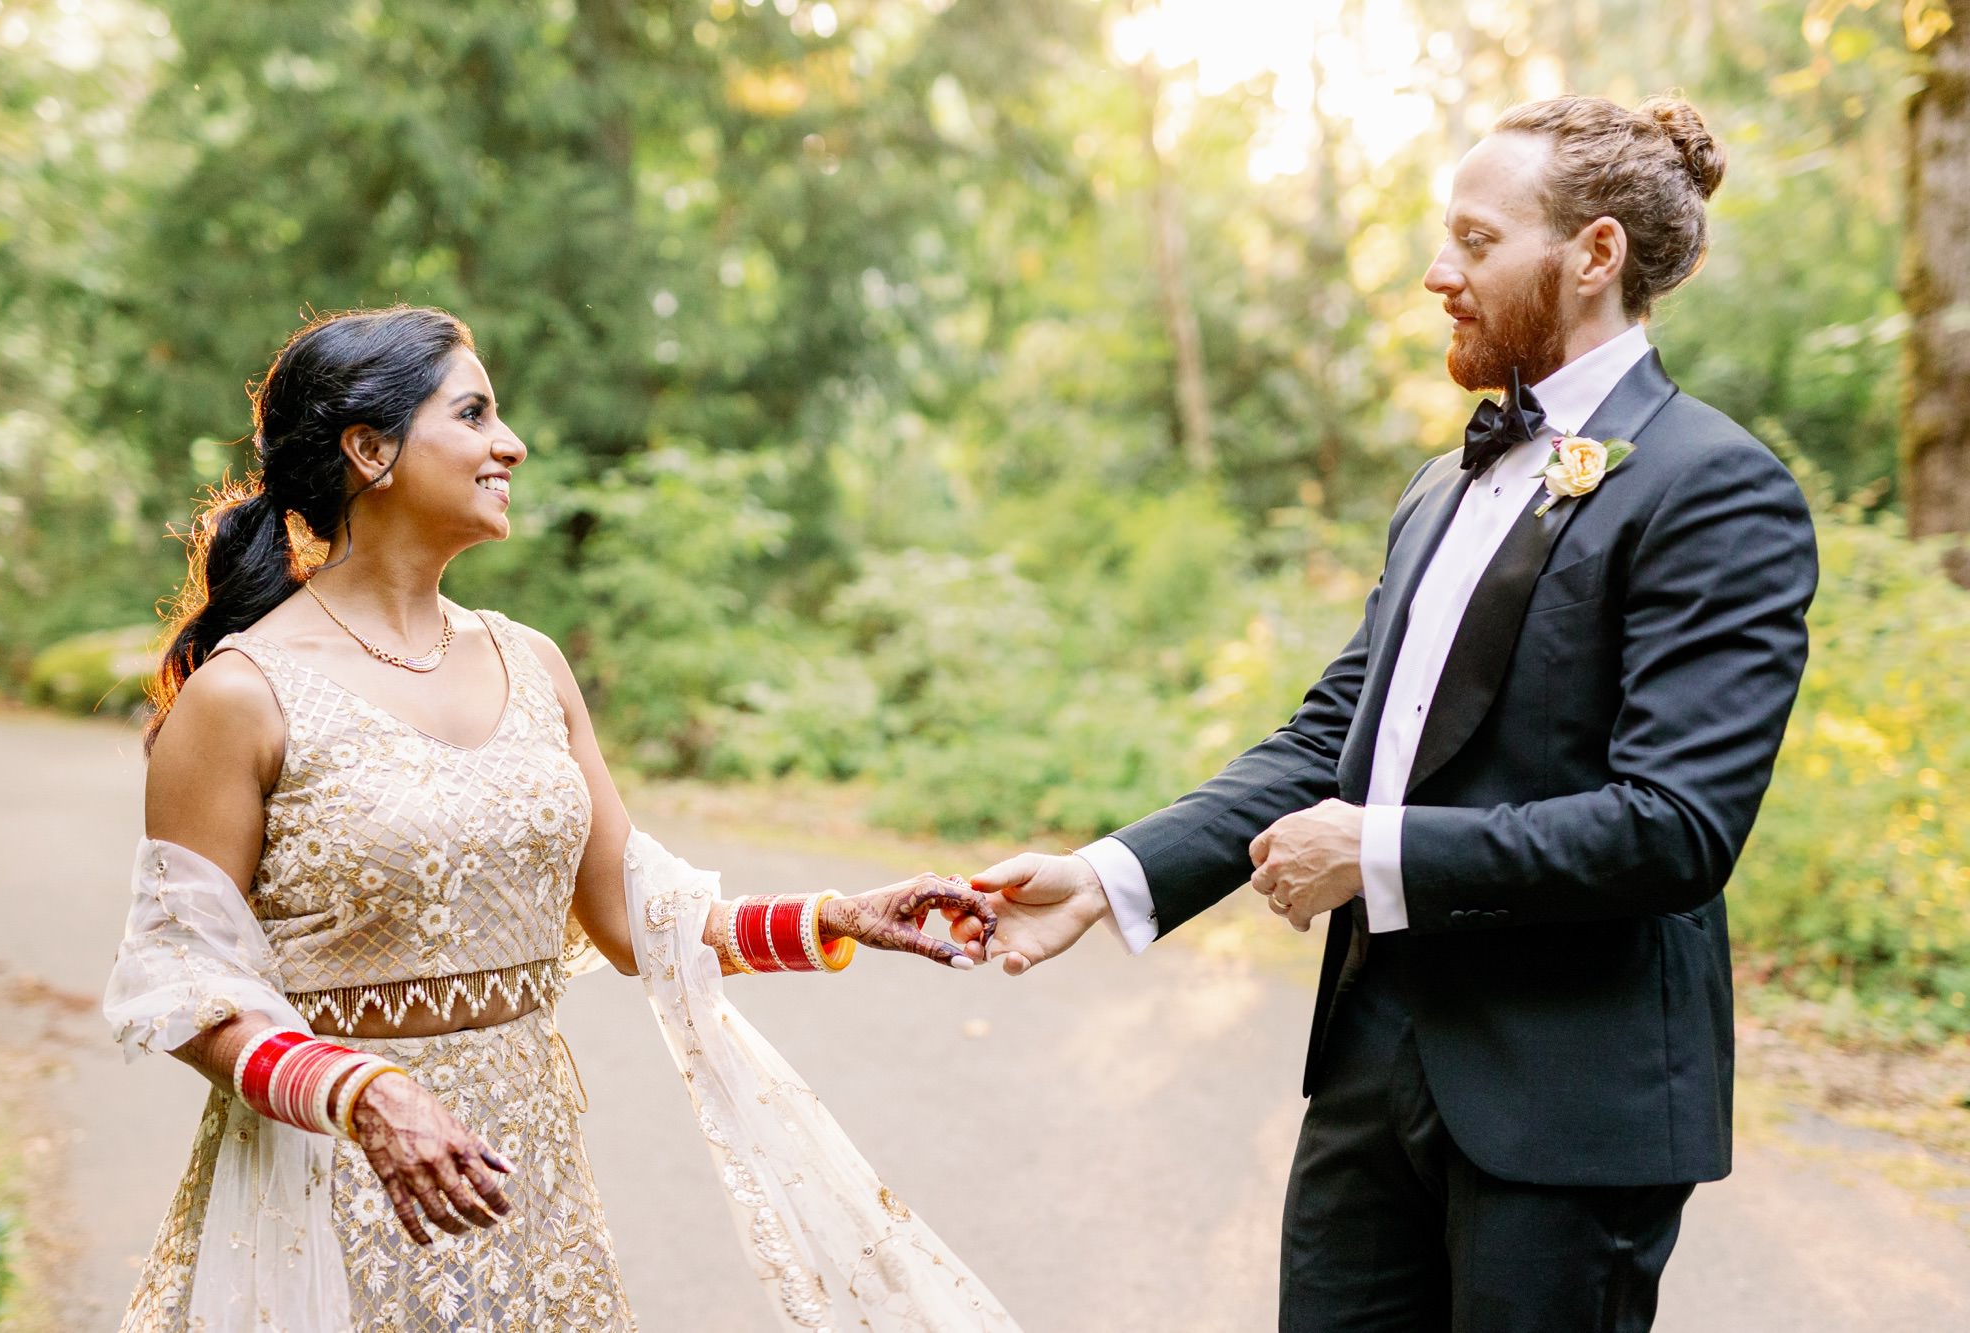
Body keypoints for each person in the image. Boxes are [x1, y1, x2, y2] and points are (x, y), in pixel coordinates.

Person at [959, 94, 1818, 1331]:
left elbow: (1673, 827)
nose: (1434, 273)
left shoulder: (1716, 487)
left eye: (1474, 241)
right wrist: (1108, 876)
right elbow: (1332, 736)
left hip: (1565, 1104)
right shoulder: (1434, 489)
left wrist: (1370, 851)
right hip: (1368, 1072)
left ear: (1592, 255)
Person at [105, 306, 1018, 1332]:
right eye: (475, 412)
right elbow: (182, 984)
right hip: (326, 1193)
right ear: (369, 449)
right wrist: (363, 1093)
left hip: (527, 1194)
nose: (512, 442)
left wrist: (835, 916)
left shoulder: (530, 662)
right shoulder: (242, 695)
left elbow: (633, 913)